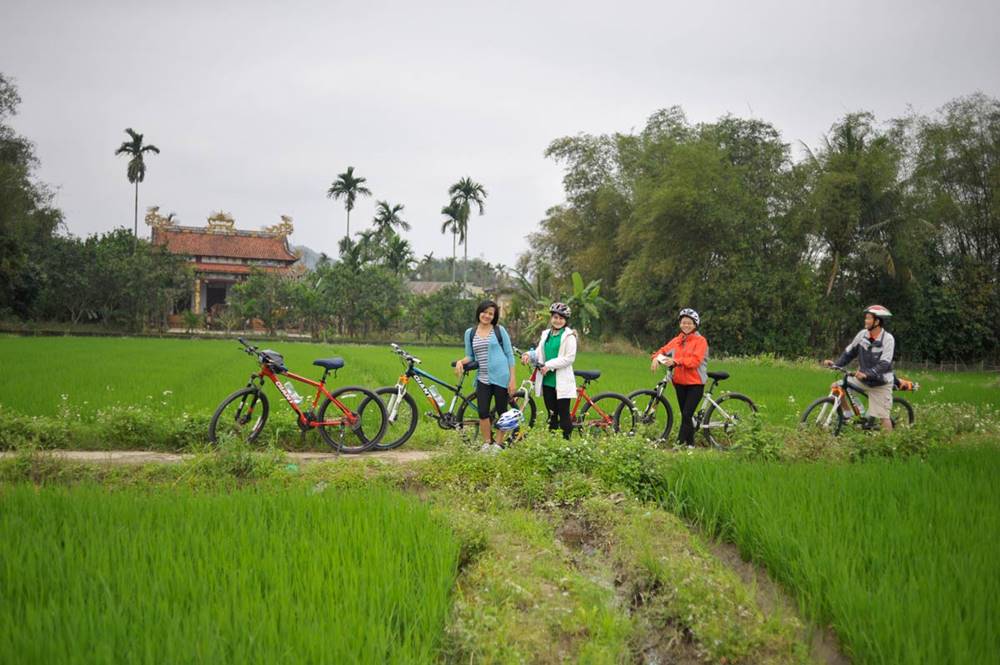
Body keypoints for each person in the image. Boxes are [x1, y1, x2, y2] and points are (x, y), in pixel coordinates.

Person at [823, 305, 896, 432]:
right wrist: (837, 364)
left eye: (868, 318)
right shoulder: (862, 335)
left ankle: (888, 447)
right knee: (837, 387)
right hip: (862, 379)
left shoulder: (888, 339)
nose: (865, 321)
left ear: (877, 321)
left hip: (881, 383)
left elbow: (884, 363)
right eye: (866, 318)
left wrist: (867, 374)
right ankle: (848, 414)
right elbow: (850, 352)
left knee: (884, 417)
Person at [455, 300, 516, 452]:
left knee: (502, 411)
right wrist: (460, 362)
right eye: (485, 312)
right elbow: (470, 356)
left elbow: (509, 355)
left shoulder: (499, 330)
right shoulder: (470, 333)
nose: (487, 316)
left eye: (491, 314)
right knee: (483, 412)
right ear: (479, 312)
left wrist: (512, 379)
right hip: (483, 377)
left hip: (501, 376)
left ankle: (499, 444)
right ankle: (487, 443)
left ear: (494, 317)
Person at [650, 308, 708, 447]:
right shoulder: (678, 340)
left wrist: (676, 361)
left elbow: (695, 361)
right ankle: (691, 445)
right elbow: (663, 350)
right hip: (680, 382)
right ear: (680, 324)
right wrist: (656, 358)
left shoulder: (700, 341)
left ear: (695, 325)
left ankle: (678, 445)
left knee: (687, 414)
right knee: (685, 416)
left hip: (695, 383)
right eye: (683, 323)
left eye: (689, 323)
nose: (686, 325)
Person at [522, 302, 577, 440]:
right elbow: (539, 352)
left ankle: (567, 445)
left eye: (561, 318)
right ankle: (552, 443)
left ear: (565, 320)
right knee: (552, 414)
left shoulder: (569, 336)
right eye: (555, 317)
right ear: (551, 318)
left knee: (564, 415)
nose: (557, 321)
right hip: (547, 381)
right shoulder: (546, 334)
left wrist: (549, 365)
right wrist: (529, 354)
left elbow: (569, 358)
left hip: (561, 381)